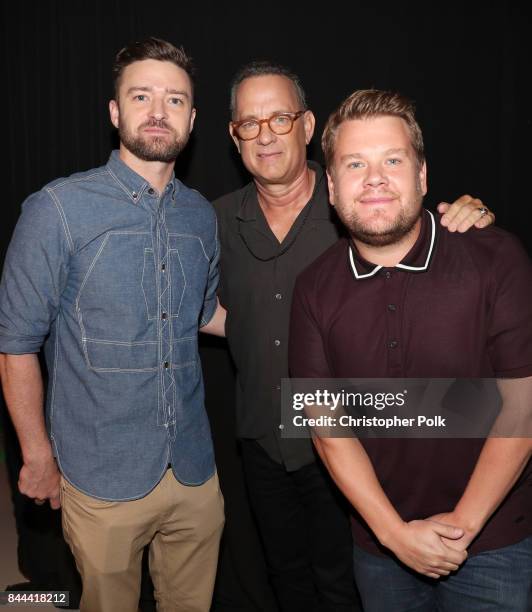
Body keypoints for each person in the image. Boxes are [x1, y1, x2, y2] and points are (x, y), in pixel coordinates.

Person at [213, 62, 495, 611]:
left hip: (352, 443)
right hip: (262, 438)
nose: (266, 133)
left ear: (306, 123)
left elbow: (425, 228)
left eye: (280, 117)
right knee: (286, 577)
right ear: (233, 136)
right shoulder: (216, 220)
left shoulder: (358, 203)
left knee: (350, 585)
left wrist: (473, 213)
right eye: (250, 123)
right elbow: (211, 309)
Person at [0, 37, 225, 612]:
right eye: (142, 96)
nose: (158, 111)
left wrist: (307, 325)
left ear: (193, 119)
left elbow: (206, 314)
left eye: (175, 100)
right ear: (114, 111)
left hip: (195, 471)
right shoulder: (56, 209)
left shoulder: (200, 215)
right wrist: (37, 455)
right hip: (100, 472)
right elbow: (16, 345)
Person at [289, 89, 532, 611]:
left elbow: (524, 405)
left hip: (495, 546)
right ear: (331, 187)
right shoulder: (312, 288)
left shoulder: (496, 258)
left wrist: (461, 528)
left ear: (422, 176)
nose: (374, 178)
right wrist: (395, 535)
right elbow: (324, 428)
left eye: (392, 160)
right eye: (355, 164)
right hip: (379, 549)